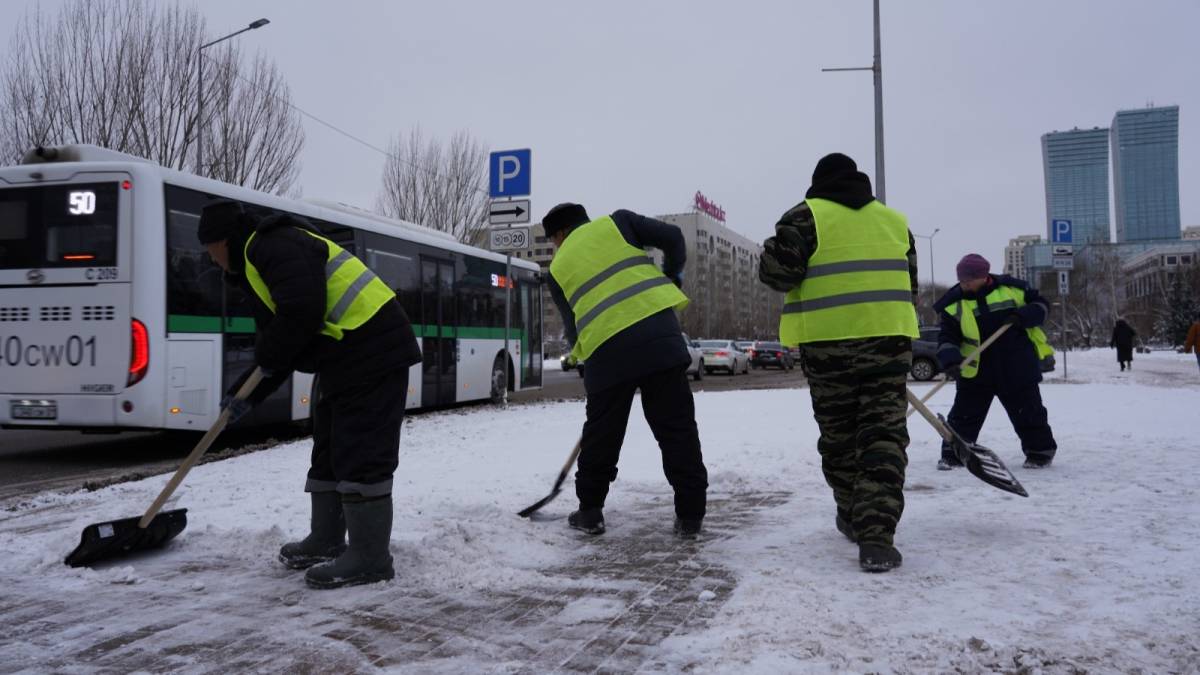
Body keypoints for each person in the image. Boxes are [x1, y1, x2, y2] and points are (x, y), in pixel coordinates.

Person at [197, 202, 422, 589]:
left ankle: (370, 557)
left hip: (373, 349)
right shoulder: (257, 264)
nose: (212, 261)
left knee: (362, 450)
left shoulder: (273, 245)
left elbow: (302, 314)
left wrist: (267, 361)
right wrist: (244, 395)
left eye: (210, 251)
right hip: (345, 356)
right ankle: (327, 539)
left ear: (222, 241)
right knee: (329, 446)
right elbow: (278, 345)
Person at [758, 153, 918, 573]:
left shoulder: (804, 217)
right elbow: (910, 282)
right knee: (883, 438)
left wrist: (773, 248)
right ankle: (877, 537)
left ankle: (853, 514)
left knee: (840, 439)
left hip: (829, 349)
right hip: (888, 343)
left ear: (818, 183)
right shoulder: (895, 222)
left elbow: (778, 275)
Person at [543, 202, 708, 538]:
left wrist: (585, 360)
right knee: (677, 430)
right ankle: (690, 516)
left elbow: (573, 325)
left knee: (601, 435)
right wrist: (672, 276)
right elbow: (674, 238)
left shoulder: (556, 270)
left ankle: (590, 511)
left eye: (554, 241)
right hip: (659, 338)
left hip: (606, 351)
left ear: (559, 234)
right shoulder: (619, 222)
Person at [934, 254, 1057, 471]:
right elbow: (947, 337)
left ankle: (1040, 453)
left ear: (983, 276)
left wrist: (1023, 316)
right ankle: (954, 455)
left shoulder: (1014, 289)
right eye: (962, 280)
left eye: (969, 280)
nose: (965, 284)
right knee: (964, 415)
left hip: (1016, 365)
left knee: (1028, 411)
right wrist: (951, 359)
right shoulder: (953, 303)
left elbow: (1042, 306)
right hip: (977, 369)